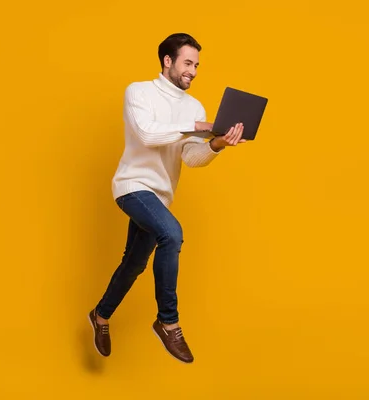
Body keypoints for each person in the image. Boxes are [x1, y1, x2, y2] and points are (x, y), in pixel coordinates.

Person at [88, 33, 245, 364]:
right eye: (188, 63)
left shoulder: (194, 106)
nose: (194, 71)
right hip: (132, 185)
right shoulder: (139, 92)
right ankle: (168, 322)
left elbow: (190, 158)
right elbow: (147, 133)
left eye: (197, 65)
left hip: (160, 197)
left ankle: (100, 316)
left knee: (134, 264)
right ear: (168, 61)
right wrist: (198, 125)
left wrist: (217, 144)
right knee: (171, 234)